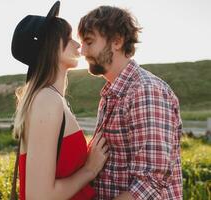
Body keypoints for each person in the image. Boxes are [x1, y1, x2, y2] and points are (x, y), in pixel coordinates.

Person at [78, 5, 183, 200]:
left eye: (89, 42)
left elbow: (149, 184)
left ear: (117, 41)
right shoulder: (112, 93)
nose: (82, 51)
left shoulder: (145, 91)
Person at [11, 1, 109, 200]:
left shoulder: (52, 98)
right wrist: (89, 170)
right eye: (68, 38)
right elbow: (39, 197)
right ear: (49, 46)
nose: (77, 44)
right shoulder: (46, 100)